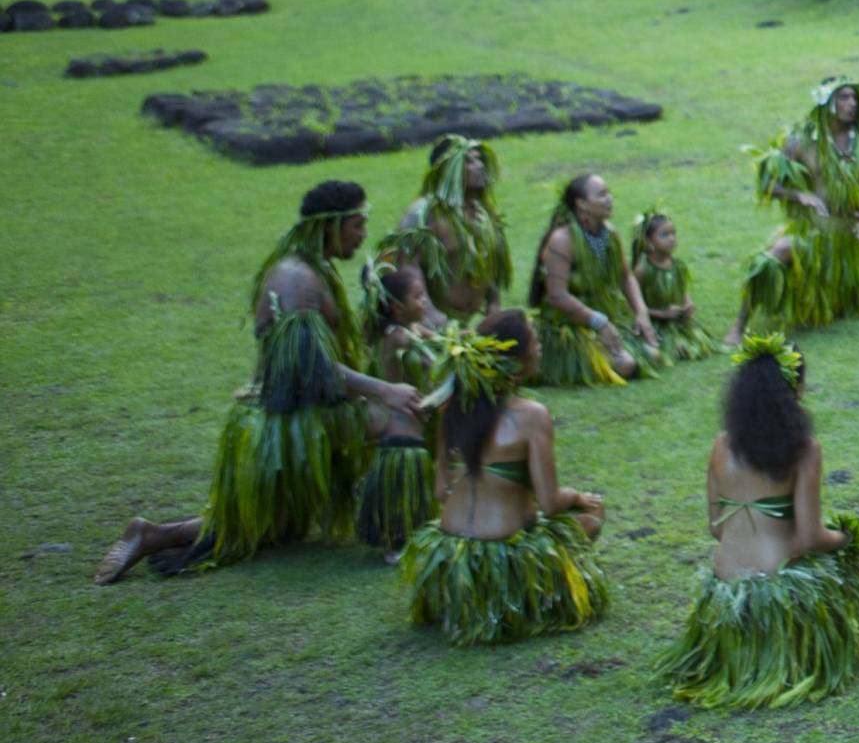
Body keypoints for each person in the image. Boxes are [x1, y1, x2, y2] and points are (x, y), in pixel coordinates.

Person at [98, 180, 425, 582]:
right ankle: (398, 536)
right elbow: (309, 366)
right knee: (402, 416)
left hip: (300, 413)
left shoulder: (312, 268)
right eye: (357, 224)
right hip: (287, 423)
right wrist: (384, 389)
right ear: (331, 225)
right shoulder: (296, 277)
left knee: (267, 528)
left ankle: (153, 534)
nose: (362, 234)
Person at [660, 335, 859, 709]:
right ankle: (797, 650)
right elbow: (812, 537)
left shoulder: (721, 443)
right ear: (796, 390)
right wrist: (847, 537)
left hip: (725, 599)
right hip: (780, 597)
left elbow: (717, 528)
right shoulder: (804, 449)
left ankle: (744, 663)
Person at [399, 310, 609, 645]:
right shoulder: (531, 415)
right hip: (504, 562)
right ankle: (526, 600)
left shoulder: (452, 407)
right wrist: (579, 497)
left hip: (454, 558)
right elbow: (552, 504)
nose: (540, 348)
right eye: (536, 342)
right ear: (517, 362)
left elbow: (441, 491)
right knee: (592, 518)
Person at [729, 77, 859, 345]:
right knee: (771, 258)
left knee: (829, 316)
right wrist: (799, 194)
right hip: (812, 233)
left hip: (846, 244)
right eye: (843, 97)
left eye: (854, 98)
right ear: (827, 102)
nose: (852, 104)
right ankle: (738, 326)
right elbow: (770, 183)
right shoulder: (801, 141)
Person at [527, 173, 656, 385]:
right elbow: (557, 295)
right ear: (582, 204)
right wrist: (600, 323)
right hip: (568, 328)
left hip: (602, 319)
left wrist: (641, 313)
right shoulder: (562, 240)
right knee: (626, 365)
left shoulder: (610, 233)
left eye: (609, 193)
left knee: (653, 355)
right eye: (601, 194)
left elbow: (625, 277)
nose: (609, 199)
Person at [354, 265, 439, 559]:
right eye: (418, 296)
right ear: (396, 307)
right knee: (407, 460)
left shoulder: (412, 329)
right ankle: (398, 538)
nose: (424, 301)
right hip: (392, 415)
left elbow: (438, 339)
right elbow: (433, 365)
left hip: (407, 408)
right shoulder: (397, 338)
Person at [383, 134, 511, 320]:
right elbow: (408, 271)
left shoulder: (483, 213)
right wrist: (435, 321)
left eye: (479, 159)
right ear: (447, 169)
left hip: (475, 322)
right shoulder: (422, 215)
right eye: (469, 161)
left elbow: (487, 263)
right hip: (437, 324)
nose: (480, 166)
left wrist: (493, 303)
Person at [634, 212, 718, 364]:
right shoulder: (642, 269)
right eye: (665, 235)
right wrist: (661, 314)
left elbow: (682, 290)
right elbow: (633, 306)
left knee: (696, 346)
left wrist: (688, 304)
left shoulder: (677, 266)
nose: (672, 238)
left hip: (676, 322)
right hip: (654, 324)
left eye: (673, 233)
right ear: (648, 242)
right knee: (668, 351)